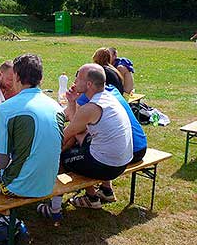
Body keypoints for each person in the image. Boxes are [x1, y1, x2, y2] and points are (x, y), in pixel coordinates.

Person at [0, 54, 65, 198]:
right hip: (48, 183)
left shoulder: (6, 109)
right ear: (40, 78)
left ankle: (0, 217)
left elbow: (1, 162)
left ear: (16, 76)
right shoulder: (57, 108)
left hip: (18, 186)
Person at [38, 64, 132, 220]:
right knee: (79, 143)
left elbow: (64, 136)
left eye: (78, 77)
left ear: (89, 84)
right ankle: (95, 196)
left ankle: (54, 210)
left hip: (107, 165)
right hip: (121, 161)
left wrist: (41, 153)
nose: (74, 80)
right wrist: (72, 102)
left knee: (62, 157)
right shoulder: (107, 98)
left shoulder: (91, 107)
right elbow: (79, 129)